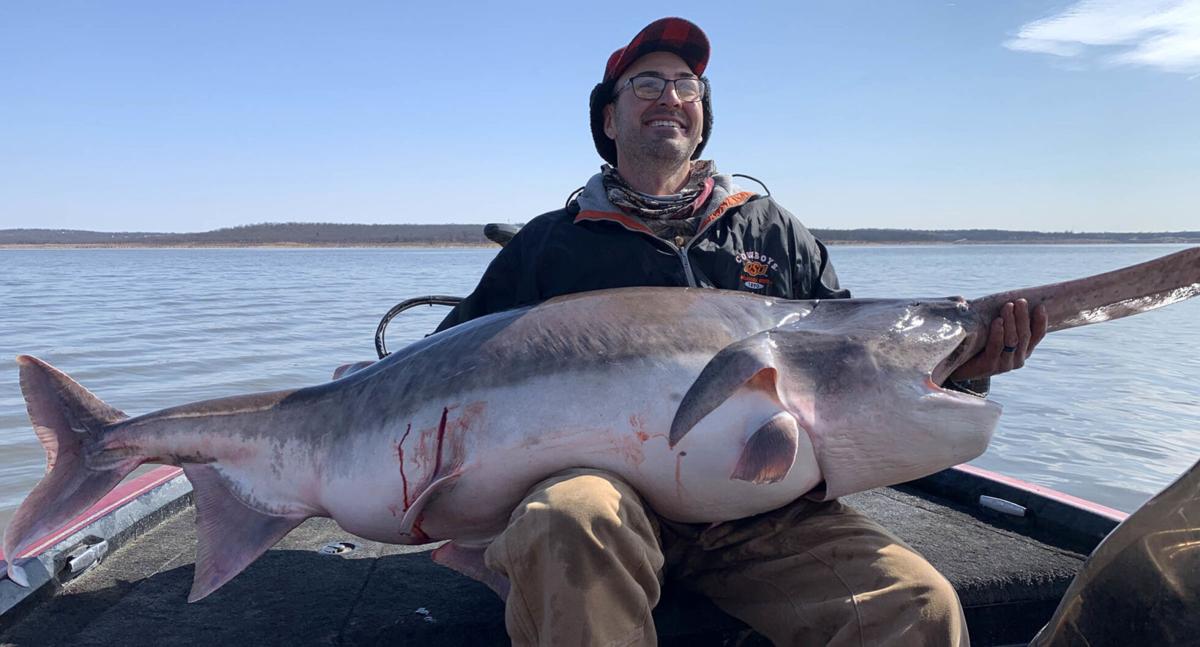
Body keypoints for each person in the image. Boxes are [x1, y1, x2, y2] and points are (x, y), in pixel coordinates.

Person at [436, 17, 1047, 647]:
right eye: (646, 84)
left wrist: (970, 365)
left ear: (702, 115)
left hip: (764, 511)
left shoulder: (773, 232)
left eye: (687, 86)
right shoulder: (548, 245)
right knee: (569, 517)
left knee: (915, 604)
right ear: (609, 121)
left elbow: (859, 364)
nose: (670, 97)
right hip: (605, 498)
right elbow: (442, 371)